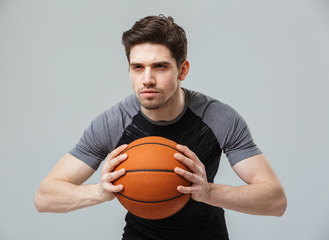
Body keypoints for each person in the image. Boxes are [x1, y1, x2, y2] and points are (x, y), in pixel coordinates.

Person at [34, 15, 287, 239]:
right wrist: (100, 192)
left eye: (160, 66)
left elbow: (276, 201)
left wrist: (208, 191)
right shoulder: (114, 122)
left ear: (182, 70)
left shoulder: (219, 118)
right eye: (138, 67)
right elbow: (44, 197)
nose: (147, 79)